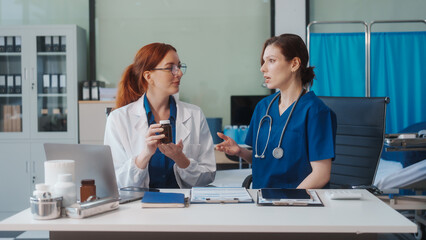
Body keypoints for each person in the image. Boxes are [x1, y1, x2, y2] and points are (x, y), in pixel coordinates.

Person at [216, 34, 336, 189]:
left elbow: (321, 175)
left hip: (298, 205)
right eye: (264, 61)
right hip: (263, 201)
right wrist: (240, 152)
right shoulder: (263, 107)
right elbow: (265, 160)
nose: (262, 68)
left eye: (271, 61)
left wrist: (287, 202)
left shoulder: (316, 111)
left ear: (294, 64)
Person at [104, 43, 216, 189]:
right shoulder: (118, 119)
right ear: (148, 76)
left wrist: (181, 159)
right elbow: (115, 181)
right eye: (171, 68)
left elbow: (208, 176)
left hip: (185, 207)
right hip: (139, 208)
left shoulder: (194, 115)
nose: (179, 73)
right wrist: (145, 154)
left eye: (179, 67)